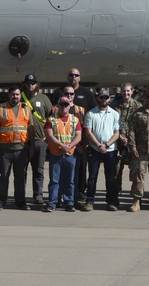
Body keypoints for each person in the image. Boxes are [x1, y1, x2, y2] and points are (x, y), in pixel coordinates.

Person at [51, 69, 94, 204]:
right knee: (57, 175)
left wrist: (84, 142)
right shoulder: (55, 109)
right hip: (58, 147)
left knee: (76, 173)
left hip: (77, 145)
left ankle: (75, 197)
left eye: (71, 94)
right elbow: (50, 126)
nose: (68, 96)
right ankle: (57, 199)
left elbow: (87, 124)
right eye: (66, 94)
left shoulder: (81, 107)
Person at [0, 85, 34, 211]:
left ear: (20, 95)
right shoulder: (1, 108)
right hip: (5, 149)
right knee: (4, 176)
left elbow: (30, 129)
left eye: (17, 94)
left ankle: (20, 201)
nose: (15, 97)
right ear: (9, 95)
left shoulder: (26, 108)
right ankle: (1, 201)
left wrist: (31, 146)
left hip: (21, 149)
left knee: (20, 176)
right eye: (13, 94)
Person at [83, 88, 121, 211]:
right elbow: (88, 132)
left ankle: (110, 201)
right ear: (97, 98)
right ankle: (89, 201)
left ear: (109, 99)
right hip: (95, 149)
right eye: (101, 97)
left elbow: (117, 133)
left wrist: (107, 145)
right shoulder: (91, 114)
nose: (103, 100)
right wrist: (99, 145)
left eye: (106, 97)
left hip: (111, 150)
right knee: (92, 176)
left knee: (110, 177)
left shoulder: (115, 114)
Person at [43, 97, 83, 212]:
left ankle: (69, 202)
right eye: (62, 104)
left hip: (70, 154)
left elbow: (78, 136)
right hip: (56, 154)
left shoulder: (75, 120)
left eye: (66, 104)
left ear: (70, 106)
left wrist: (69, 146)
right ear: (58, 105)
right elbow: (50, 136)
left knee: (70, 180)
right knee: (54, 180)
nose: (64, 107)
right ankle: (52, 202)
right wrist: (62, 146)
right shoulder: (51, 119)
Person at [21, 74, 53, 205]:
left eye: (33, 83)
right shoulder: (19, 98)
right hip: (23, 141)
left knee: (38, 170)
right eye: (28, 83)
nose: (30, 85)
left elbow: (51, 118)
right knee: (21, 171)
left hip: (40, 139)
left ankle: (38, 195)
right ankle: (20, 195)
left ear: (37, 85)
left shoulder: (44, 98)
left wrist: (48, 136)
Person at [110, 83, 141, 201]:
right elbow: (111, 124)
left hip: (133, 145)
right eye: (123, 91)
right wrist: (120, 137)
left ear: (132, 91)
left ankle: (135, 199)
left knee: (135, 172)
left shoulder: (138, 106)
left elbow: (141, 126)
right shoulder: (115, 106)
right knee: (116, 172)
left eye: (128, 91)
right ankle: (115, 197)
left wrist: (132, 140)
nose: (126, 93)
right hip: (118, 144)